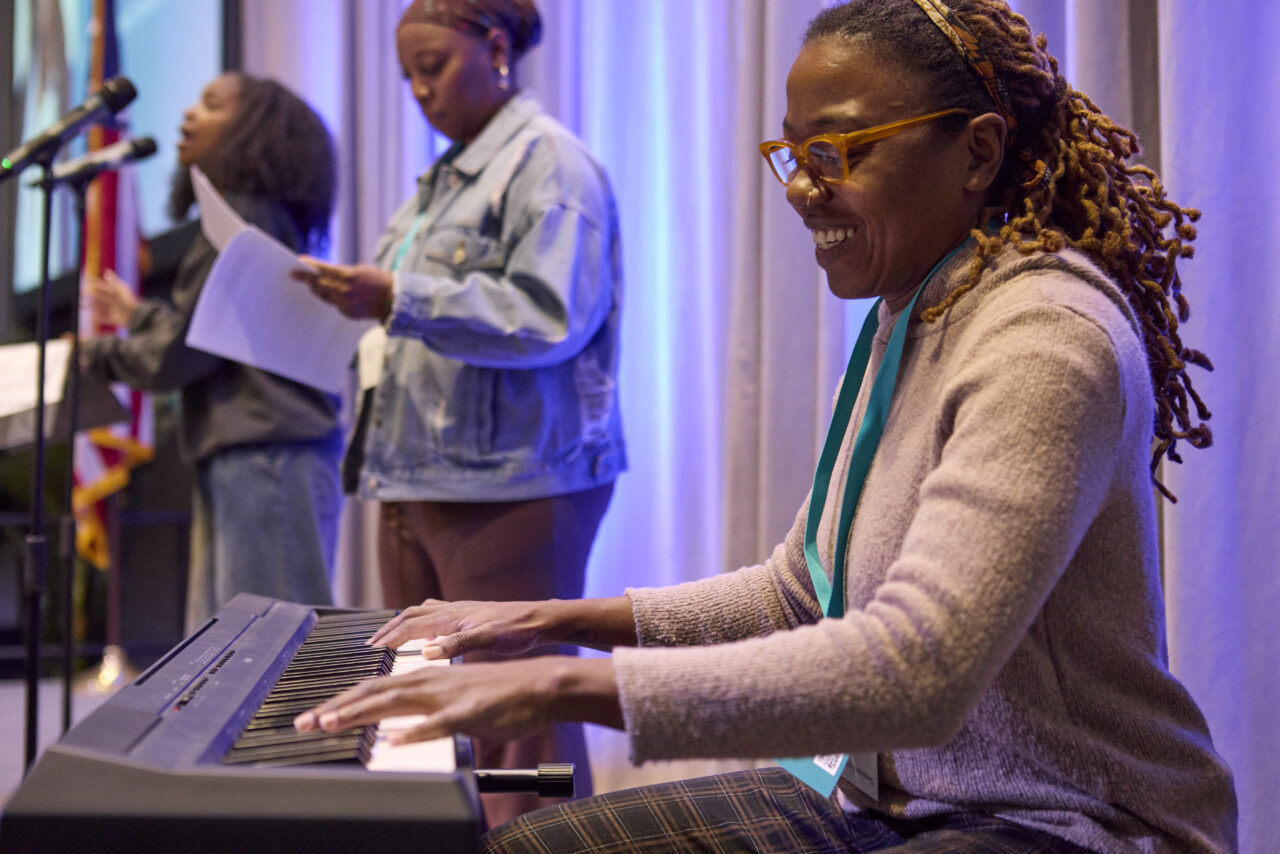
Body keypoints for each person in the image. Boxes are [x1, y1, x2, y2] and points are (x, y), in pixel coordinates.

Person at [296, 0, 1238, 851]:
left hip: (1062, 818)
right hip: (887, 802)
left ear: (978, 152)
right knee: (530, 846)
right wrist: (547, 621)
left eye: (840, 149)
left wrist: (556, 684)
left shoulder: (1045, 340)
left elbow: (918, 672)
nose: (800, 187)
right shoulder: (912, 311)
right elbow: (800, 591)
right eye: (792, 153)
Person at [292, 0, 625, 828]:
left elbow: (550, 314)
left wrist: (398, 294)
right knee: (428, 710)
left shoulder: (551, 164)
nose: (417, 90)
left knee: (520, 726)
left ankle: (541, 845)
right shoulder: (439, 183)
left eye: (432, 66)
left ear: (498, 49)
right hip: (412, 478)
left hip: (514, 486)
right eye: (407, 74)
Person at [82, 73, 342, 633]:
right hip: (253, 453)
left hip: (270, 456)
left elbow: (182, 354)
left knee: (271, 652)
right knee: (234, 646)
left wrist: (94, 356)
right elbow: (209, 333)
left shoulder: (242, 218)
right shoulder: (244, 215)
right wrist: (137, 317)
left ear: (254, 129)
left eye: (211, 104)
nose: (187, 115)